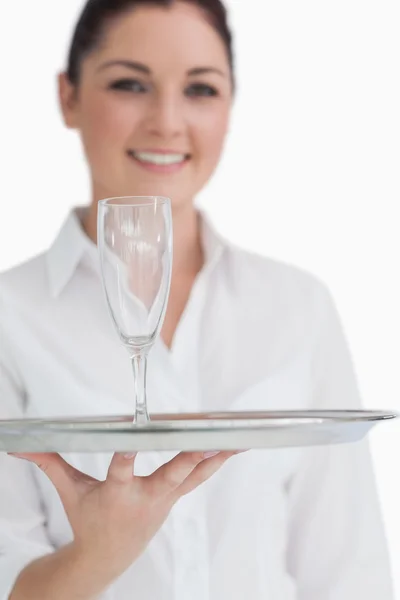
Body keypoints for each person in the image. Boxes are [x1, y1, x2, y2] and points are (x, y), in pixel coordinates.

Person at [0, 0, 394, 598]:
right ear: (68, 96)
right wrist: (98, 556)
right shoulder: (11, 316)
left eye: (201, 89)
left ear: (231, 106)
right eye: (131, 83)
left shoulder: (297, 308)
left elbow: (348, 573)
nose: (166, 120)